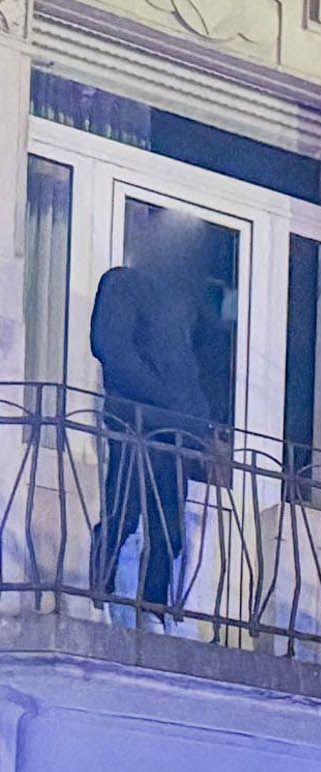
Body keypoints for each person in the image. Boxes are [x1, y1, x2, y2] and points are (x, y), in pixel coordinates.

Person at [87, 214, 219, 614]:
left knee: (170, 533)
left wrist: (204, 430)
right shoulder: (121, 283)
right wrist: (175, 410)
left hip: (171, 434)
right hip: (134, 422)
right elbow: (113, 349)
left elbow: (187, 374)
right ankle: (99, 598)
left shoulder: (178, 308)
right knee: (122, 515)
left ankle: (153, 610)